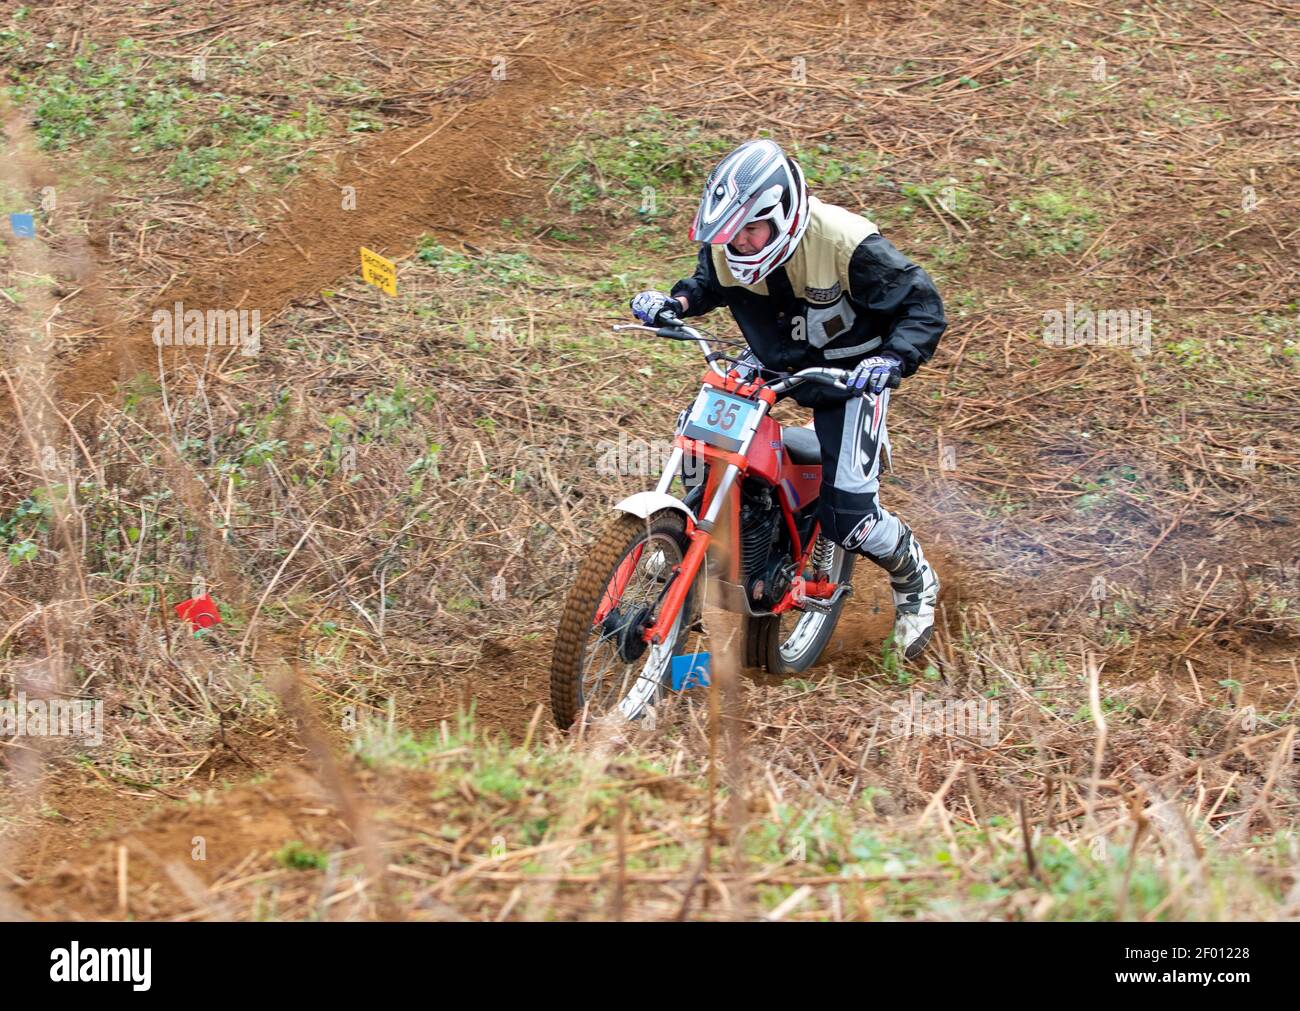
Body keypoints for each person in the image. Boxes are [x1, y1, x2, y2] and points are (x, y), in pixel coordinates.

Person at [630, 138, 947, 659]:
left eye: (751, 230)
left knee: (851, 516)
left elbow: (923, 308)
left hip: (848, 372)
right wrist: (677, 301)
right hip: (770, 356)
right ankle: (712, 543)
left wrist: (890, 360)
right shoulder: (728, 243)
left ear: (784, 216)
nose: (740, 243)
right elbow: (709, 283)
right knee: (704, 447)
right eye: (732, 233)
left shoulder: (848, 243)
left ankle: (915, 578)